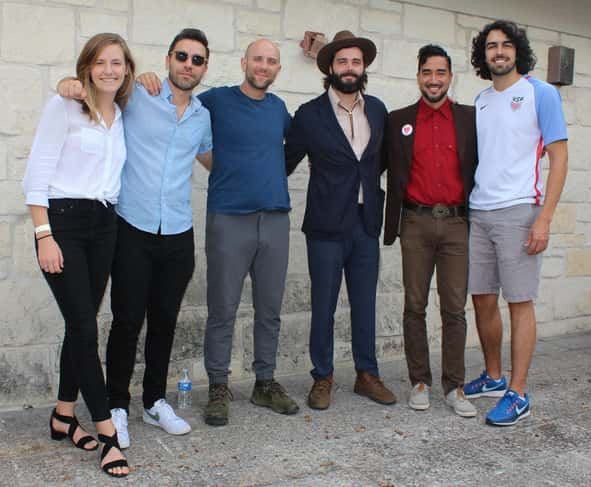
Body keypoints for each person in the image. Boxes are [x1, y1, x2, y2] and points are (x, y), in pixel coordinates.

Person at [58, 28, 213, 445]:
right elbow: (92, 88)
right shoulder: (137, 95)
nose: (188, 65)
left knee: (164, 322)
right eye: (182, 56)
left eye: (197, 60)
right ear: (167, 59)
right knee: (127, 322)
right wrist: (67, 84)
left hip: (179, 232)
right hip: (132, 228)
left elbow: (212, 159)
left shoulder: (202, 116)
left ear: (204, 68)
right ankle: (116, 406)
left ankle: (154, 401)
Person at [137, 39, 299, 427]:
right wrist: (147, 82)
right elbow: (180, 108)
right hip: (229, 218)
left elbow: (286, 151)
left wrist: (269, 176)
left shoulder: (279, 110)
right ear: (244, 62)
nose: (263, 66)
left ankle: (264, 381)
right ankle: (219, 387)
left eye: (271, 61)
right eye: (257, 59)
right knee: (223, 310)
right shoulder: (216, 101)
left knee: (270, 309)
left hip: (275, 220)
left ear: (278, 69)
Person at [23, 33, 135, 477]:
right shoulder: (65, 107)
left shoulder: (120, 115)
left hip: (104, 226)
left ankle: (63, 415)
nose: (110, 69)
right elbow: (36, 175)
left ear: (125, 69)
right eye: (101, 62)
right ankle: (107, 432)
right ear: (87, 66)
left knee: (80, 324)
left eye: (118, 62)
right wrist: (43, 235)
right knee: (85, 327)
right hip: (63, 225)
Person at [463, 20, 568, 426]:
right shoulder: (482, 100)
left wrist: (544, 219)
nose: (499, 52)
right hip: (480, 211)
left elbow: (558, 159)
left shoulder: (541, 94)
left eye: (506, 45)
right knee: (482, 297)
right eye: (491, 46)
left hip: (520, 211)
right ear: (483, 54)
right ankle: (493, 376)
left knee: (519, 301)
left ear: (517, 51)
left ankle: (518, 393)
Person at [285, 31, 396, 410]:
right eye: (343, 62)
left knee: (365, 304)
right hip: (326, 226)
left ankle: (367, 374)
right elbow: (284, 162)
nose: (349, 69)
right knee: (323, 306)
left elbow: (378, 163)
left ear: (363, 68)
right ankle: (323, 377)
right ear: (330, 67)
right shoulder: (309, 114)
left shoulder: (378, 110)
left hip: (366, 223)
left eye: (356, 62)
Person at [382, 44, 478, 417]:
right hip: (415, 223)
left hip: (457, 223)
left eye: (440, 73)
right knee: (415, 306)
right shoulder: (398, 120)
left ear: (450, 77)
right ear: (418, 76)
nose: (434, 79)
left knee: (455, 309)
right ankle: (420, 381)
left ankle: (455, 387)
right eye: (427, 72)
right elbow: (374, 165)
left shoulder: (470, 119)